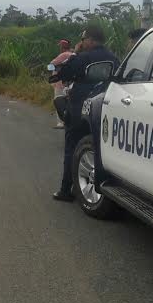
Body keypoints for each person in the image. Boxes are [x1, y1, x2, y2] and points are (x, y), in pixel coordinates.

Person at [51, 28, 118, 201]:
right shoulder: (113, 58)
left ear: (90, 40)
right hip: (103, 108)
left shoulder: (81, 57)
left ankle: (66, 190)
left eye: (82, 39)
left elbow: (63, 74)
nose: (81, 42)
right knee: (100, 148)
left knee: (71, 147)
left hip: (79, 107)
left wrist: (76, 53)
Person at [50, 39, 74, 129]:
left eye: (60, 46)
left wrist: (55, 67)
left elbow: (50, 65)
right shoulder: (73, 54)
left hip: (60, 83)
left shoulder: (63, 55)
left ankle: (60, 122)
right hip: (70, 84)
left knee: (58, 102)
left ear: (62, 47)